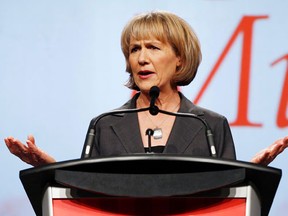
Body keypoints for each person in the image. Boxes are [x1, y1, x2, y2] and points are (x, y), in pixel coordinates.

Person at [4, 11, 288, 167]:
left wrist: (250, 173)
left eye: (153, 47)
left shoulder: (210, 126)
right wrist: (49, 168)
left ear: (180, 59)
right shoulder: (104, 125)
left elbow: (227, 197)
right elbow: (85, 195)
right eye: (134, 49)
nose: (141, 58)